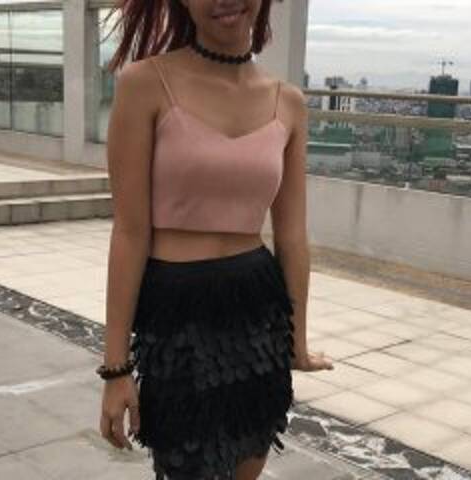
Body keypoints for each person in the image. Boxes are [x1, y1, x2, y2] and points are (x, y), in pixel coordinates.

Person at [98, 1, 333, 479]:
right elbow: (129, 232)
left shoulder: (288, 101)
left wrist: (297, 342)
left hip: (258, 317)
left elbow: (291, 235)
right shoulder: (145, 83)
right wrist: (116, 369)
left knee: (249, 461)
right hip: (177, 318)